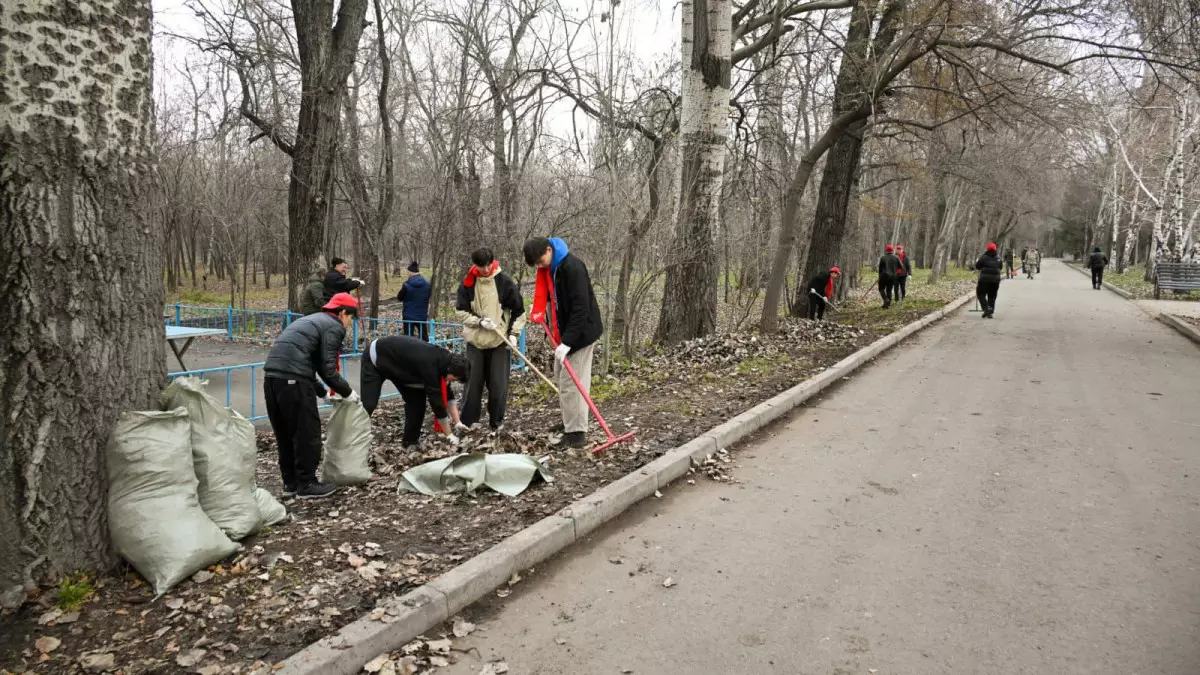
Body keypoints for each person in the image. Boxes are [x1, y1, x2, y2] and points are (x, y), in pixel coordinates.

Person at [263, 292, 360, 500]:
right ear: (342, 313)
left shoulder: (312, 320)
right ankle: (306, 484)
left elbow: (306, 362)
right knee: (307, 432)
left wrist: (322, 393)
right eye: (351, 318)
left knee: (285, 433)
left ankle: (290, 483)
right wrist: (348, 392)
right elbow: (327, 369)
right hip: (293, 381)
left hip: (272, 378)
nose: (349, 324)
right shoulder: (333, 326)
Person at [523, 236, 604, 449]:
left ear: (549, 250)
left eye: (540, 261)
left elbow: (581, 307)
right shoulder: (552, 269)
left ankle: (576, 434)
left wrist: (568, 342)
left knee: (572, 384)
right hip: (565, 334)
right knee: (562, 379)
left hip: (580, 334)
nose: (539, 267)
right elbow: (553, 300)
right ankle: (571, 420)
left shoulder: (572, 268)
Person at [455, 248, 526, 432]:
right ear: (475, 265)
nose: (485, 269)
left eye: (488, 265)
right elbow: (460, 312)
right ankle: (468, 425)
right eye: (481, 266)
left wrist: (513, 334)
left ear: (493, 262)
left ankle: (496, 424)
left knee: (498, 386)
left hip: (499, 342)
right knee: (471, 386)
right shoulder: (468, 284)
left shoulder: (504, 282)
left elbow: (519, 312)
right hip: (475, 342)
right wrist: (478, 322)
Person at [360, 335, 469, 450]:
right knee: (368, 404)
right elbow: (437, 405)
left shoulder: (445, 362)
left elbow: (448, 394)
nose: (454, 381)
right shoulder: (430, 366)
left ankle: (410, 441)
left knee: (417, 403)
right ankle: (352, 436)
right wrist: (449, 435)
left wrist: (457, 423)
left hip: (402, 368)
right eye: (455, 379)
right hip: (376, 358)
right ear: (450, 371)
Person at [397, 261, 432, 341]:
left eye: (408, 272)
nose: (407, 274)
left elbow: (399, 297)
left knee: (408, 339)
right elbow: (429, 295)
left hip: (408, 316)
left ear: (410, 273)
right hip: (422, 316)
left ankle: (409, 353)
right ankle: (425, 352)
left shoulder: (406, 285)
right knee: (424, 338)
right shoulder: (428, 284)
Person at [974, 242, 1003, 319]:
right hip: (995, 280)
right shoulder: (999, 258)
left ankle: (987, 308)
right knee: (992, 296)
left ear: (987, 248)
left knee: (980, 293)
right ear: (995, 249)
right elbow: (1000, 267)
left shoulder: (984, 257)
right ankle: (990, 311)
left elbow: (977, 266)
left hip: (984, 280)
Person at [877, 244, 902, 308]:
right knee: (889, 290)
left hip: (884, 276)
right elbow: (901, 266)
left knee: (881, 289)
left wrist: (879, 276)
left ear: (886, 250)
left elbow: (880, 269)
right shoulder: (896, 257)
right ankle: (888, 304)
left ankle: (886, 300)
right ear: (892, 250)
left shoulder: (883, 258)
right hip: (893, 277)